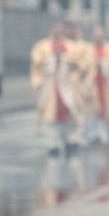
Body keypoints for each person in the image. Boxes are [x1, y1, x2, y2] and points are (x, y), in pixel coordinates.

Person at [31, 22, 87, 157]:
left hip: (67, 84)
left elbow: (79, 63)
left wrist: (63, 59)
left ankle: (69, 140)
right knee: (51, 116)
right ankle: (53, 143)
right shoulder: (42, 46)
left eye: (59, 28)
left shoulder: (71, 46)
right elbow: (37, 62)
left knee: (69, 113)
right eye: (54, 28)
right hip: (50, 85)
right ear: (51, 30)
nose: (57, 31)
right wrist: (52, 60)